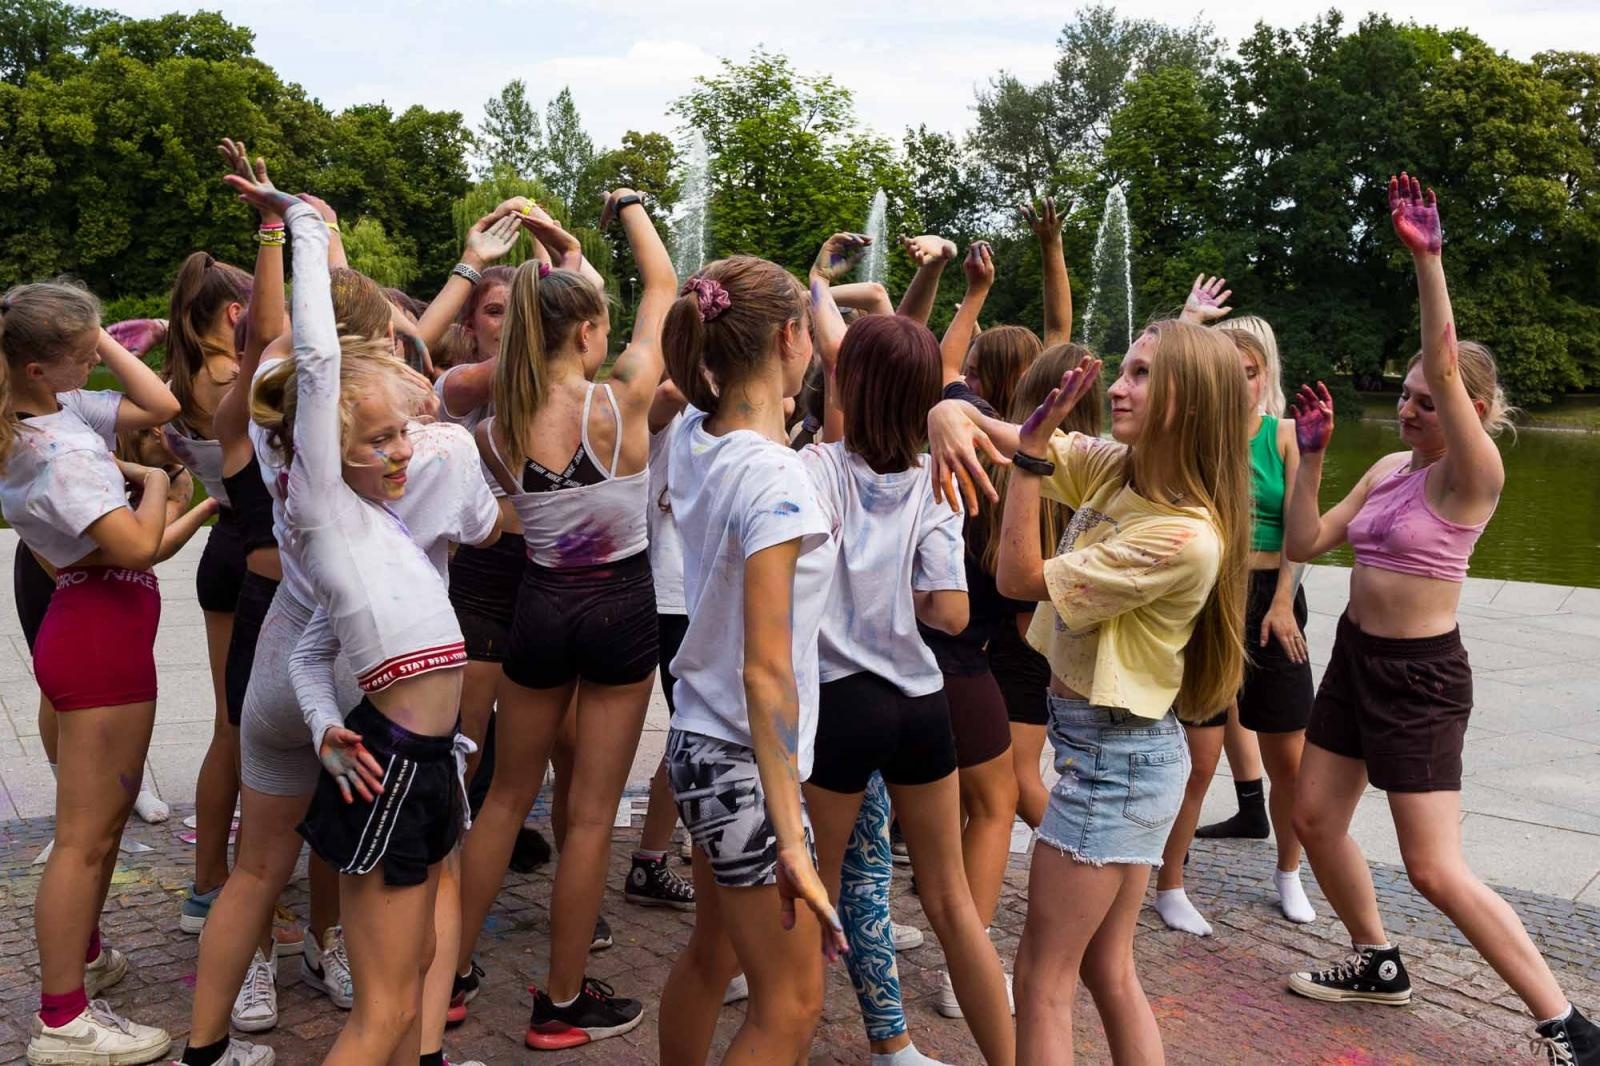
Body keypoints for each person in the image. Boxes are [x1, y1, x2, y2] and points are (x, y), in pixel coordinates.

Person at [1283, 174, 1600, 1066]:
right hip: (1355, 660)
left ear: (1473, 410)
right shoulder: (1388, 467)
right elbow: (1306, 540)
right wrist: (1308, 458)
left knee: (1433, 866)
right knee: (1312, 817)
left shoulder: (1475, 477)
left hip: (1421, 677)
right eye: (1409, 395)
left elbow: (1448, 359)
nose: (1413, 406)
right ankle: (1378, 959)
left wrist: (1428, 261)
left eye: (1431, 398)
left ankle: (1565, 1024)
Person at [927, 317, 1251, 1065]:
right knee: (1107, 967)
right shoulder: (1120, 469)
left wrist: (1033, 461)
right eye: (1124, 368)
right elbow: (993, 428)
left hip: (1117, 760)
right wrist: (952, 407)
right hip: (1112, 749)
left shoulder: (1181, 535)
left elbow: (1017, 580)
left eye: (1139, 374)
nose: (1116, 387)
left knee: (1043, 977)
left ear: (1189, 402)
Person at [223, 170, 483, 1066]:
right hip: (400, 768)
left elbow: (309, 648)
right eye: (381, 440)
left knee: (410, 983)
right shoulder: (325, 509)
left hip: (421, 760)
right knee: (380, 1013)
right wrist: (299, 225)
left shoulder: (376, 523)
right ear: (328, 445)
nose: (403, 449)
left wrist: (327, 722)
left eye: (404, 434)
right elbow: (319, 358)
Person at [456, 186, 674, 1049]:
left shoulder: (493, 425)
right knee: (587, 816)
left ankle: (450, 977)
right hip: (620, 608)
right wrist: (627, 207)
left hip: (539, 606)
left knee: (505, 798)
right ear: (588, 333)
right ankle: (560, 1000)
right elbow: (661, 286)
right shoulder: (619, 399)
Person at [799, 293, 1014, 1066]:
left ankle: (786, 1038)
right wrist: (909, 596)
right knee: (954, 904)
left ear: (847, 387)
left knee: (814, 895)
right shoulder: (937, 481)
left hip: (840, 699)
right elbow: (952, 614)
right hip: (921, 700)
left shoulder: (815, 468)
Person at [3, 280, 213, 1065]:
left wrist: (103, 338)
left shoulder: (57, 414)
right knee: (83, 841)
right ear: (33, 368)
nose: (97, 356)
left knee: (98, 830)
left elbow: (157, 406)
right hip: (99, 640)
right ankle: (63, 1021)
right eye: (82, 350)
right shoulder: (50, 453)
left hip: (93, 631)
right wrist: (158, 483)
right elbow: (132, 547)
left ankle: (83, 959)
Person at [655, 255, 849, 1065]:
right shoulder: (776, 478)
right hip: (742, 765)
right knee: (792, 1005)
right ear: (791, 338)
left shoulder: (695, 437)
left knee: (712, 954)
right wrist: (793, 843)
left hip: (699, 746)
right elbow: (765, 670)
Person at [1154, 324, 1316, 935]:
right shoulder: (1197, 436)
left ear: (1265, 373)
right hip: (1210, 598)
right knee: (1197, 758)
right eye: (1228, 372)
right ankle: (1170, 882)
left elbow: (1304, 531)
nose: (1241, 384)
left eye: (1249, 372)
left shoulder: (1286, 437)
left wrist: (1281, 602)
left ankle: (1288, 874)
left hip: (1274, 599)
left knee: (1290, 760)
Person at [163, 247, 256, 935]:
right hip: (251, 553)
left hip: (223, 545)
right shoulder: (234, 378)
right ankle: (227, 882)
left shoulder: (183, 376)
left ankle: (210, 882)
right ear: (234, 312)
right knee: (244, 731)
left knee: (231, 726)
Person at [976, 345, 1103, 831]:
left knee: (1015, 778)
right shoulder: (1098, 474)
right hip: (1049, 642)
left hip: (1020, 643)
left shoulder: (1024, 468)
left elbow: (1015, 581)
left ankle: (1087, 852)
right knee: (1008, 777)